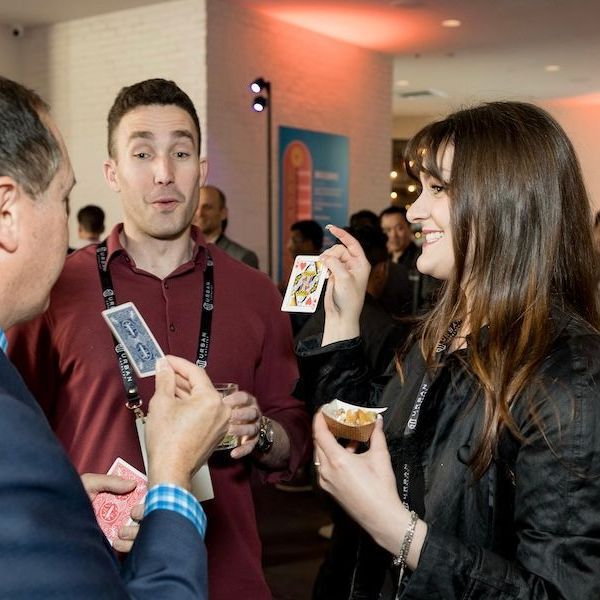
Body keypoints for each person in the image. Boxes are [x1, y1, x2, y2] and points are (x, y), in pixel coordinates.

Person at [8, 78, 311, 600]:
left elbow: (293, 434)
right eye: (143, 152)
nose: (164, 173)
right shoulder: (50, 292)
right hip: (89, 569)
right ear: (113, 173)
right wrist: (71, 504)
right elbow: (20, 439)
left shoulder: (257, 294)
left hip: (230, 575)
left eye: (181, 152)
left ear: (202, 171)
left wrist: (258, 431)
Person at [300, 102, 600, 598]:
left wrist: (398, 531)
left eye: (437, 189)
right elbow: (359, 444)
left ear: (506, 202)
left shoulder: (569, 373)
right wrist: (341, 319)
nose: (415, 211)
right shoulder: (439, 335)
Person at [193, 185, 259, 268]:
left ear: (223, 213)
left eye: (207, 207)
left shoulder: (242, 258)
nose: (199, 214)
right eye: (195, 207)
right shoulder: (179, 254)